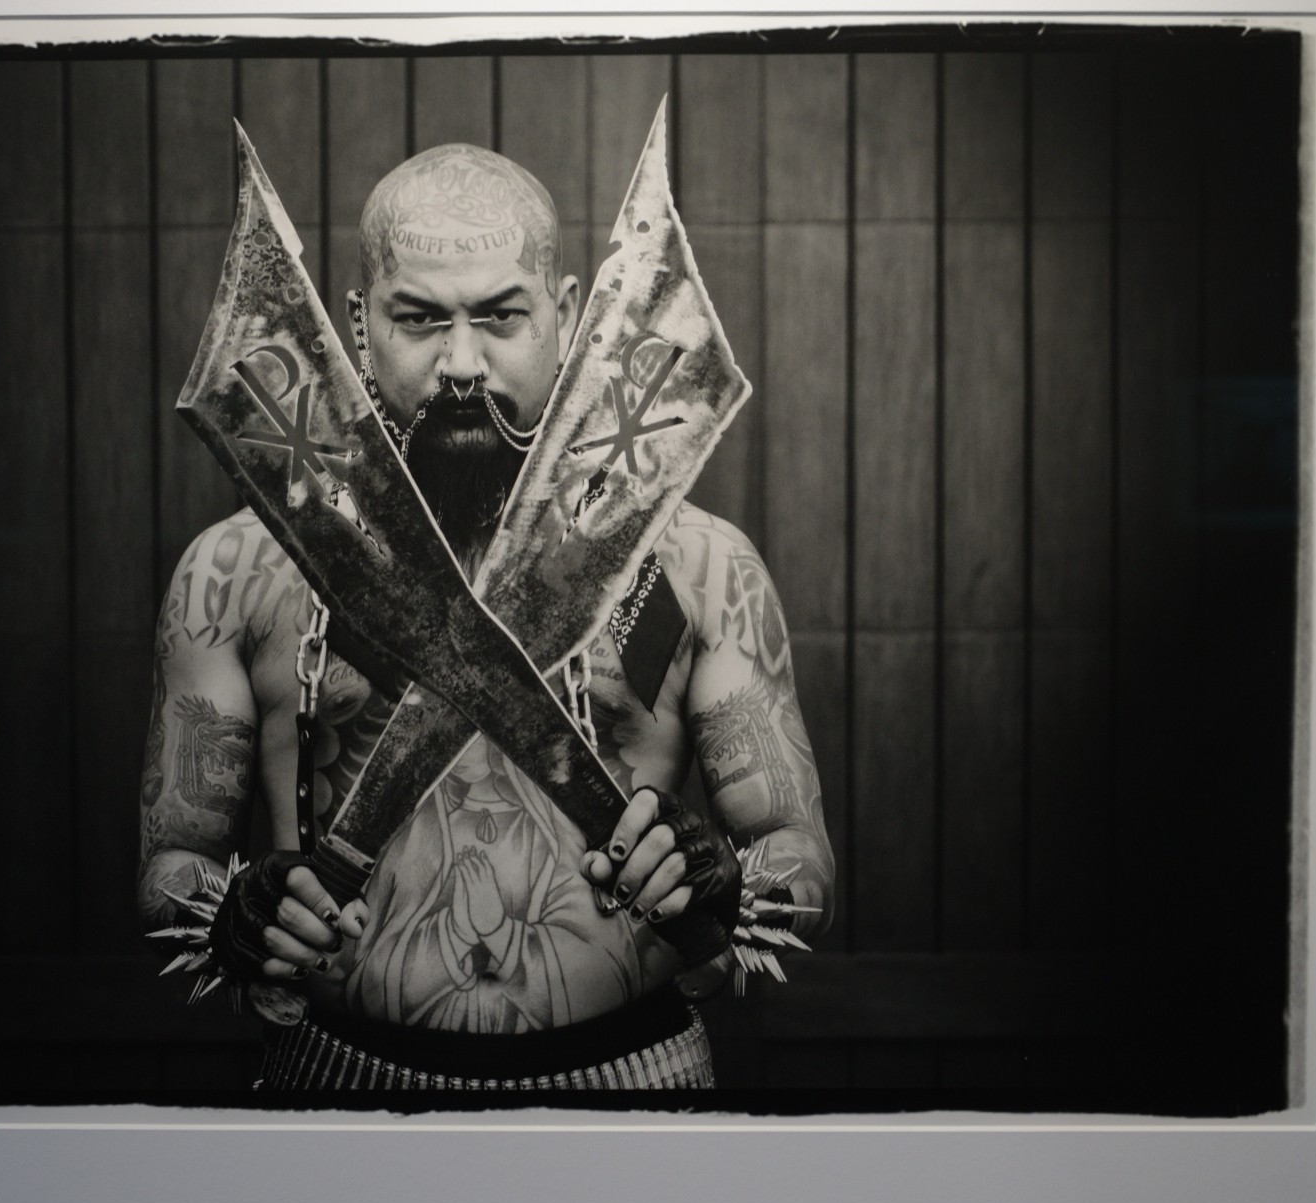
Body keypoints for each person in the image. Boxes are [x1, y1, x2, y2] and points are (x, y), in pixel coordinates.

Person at [139, 142, 834, 1091]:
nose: (461, 365)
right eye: (420, 319)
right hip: (339, 1088)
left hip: (635, 1085)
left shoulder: (703, 566)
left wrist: (728, 878)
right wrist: (232, 913)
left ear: (568, 313)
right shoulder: (235, 573)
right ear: (358, 324)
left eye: (502, 316)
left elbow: (800, 858)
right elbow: (170, 866)